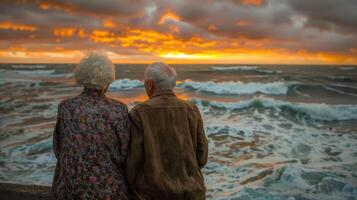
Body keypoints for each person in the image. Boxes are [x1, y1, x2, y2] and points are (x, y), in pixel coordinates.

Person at [52, 53, 130, 199]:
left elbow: (58, 148)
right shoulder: (118, 109)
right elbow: (125, 152)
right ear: (107, 80)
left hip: (69, 189)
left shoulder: (66, 107)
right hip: (108, 191)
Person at [126, 62, 208, 200]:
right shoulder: (191, 109)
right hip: (191, 193)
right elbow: (202, 156)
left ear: (150, 84)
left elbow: (134, 159)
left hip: (151, 194)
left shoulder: (139, 113)